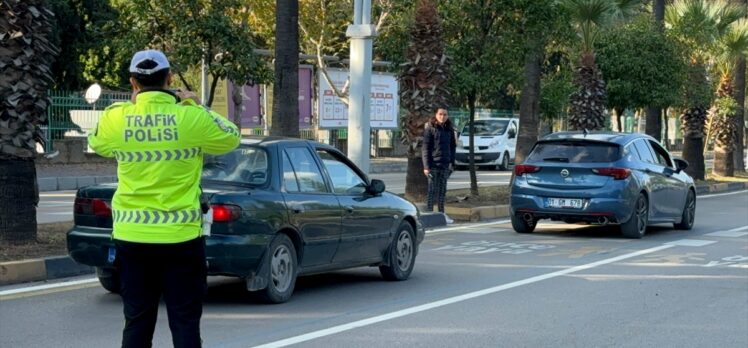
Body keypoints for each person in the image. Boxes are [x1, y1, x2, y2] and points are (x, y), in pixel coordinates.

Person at [88, 49, 240, 348]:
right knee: (184, 321)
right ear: (170, 79)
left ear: (133, 83)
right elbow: (231, 135)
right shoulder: (190, 117)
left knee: (137, 319)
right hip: (181, 238)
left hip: (133, 237)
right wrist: (197, 104)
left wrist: (129, 107)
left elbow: (96, 140)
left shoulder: (117, 118)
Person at [422, 107, 456, 220]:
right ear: (436, 115)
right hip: (433, 166)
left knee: (442, 191)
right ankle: (429, 215)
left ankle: (442, 214)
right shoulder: (430, 129)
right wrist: (426, 166)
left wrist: (452, 162)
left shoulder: (449, 130)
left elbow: (452, 147)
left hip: (445, 165)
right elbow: (425, 149)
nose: (443, 116)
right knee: (431, 190)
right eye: (440, 114)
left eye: (445, 114)